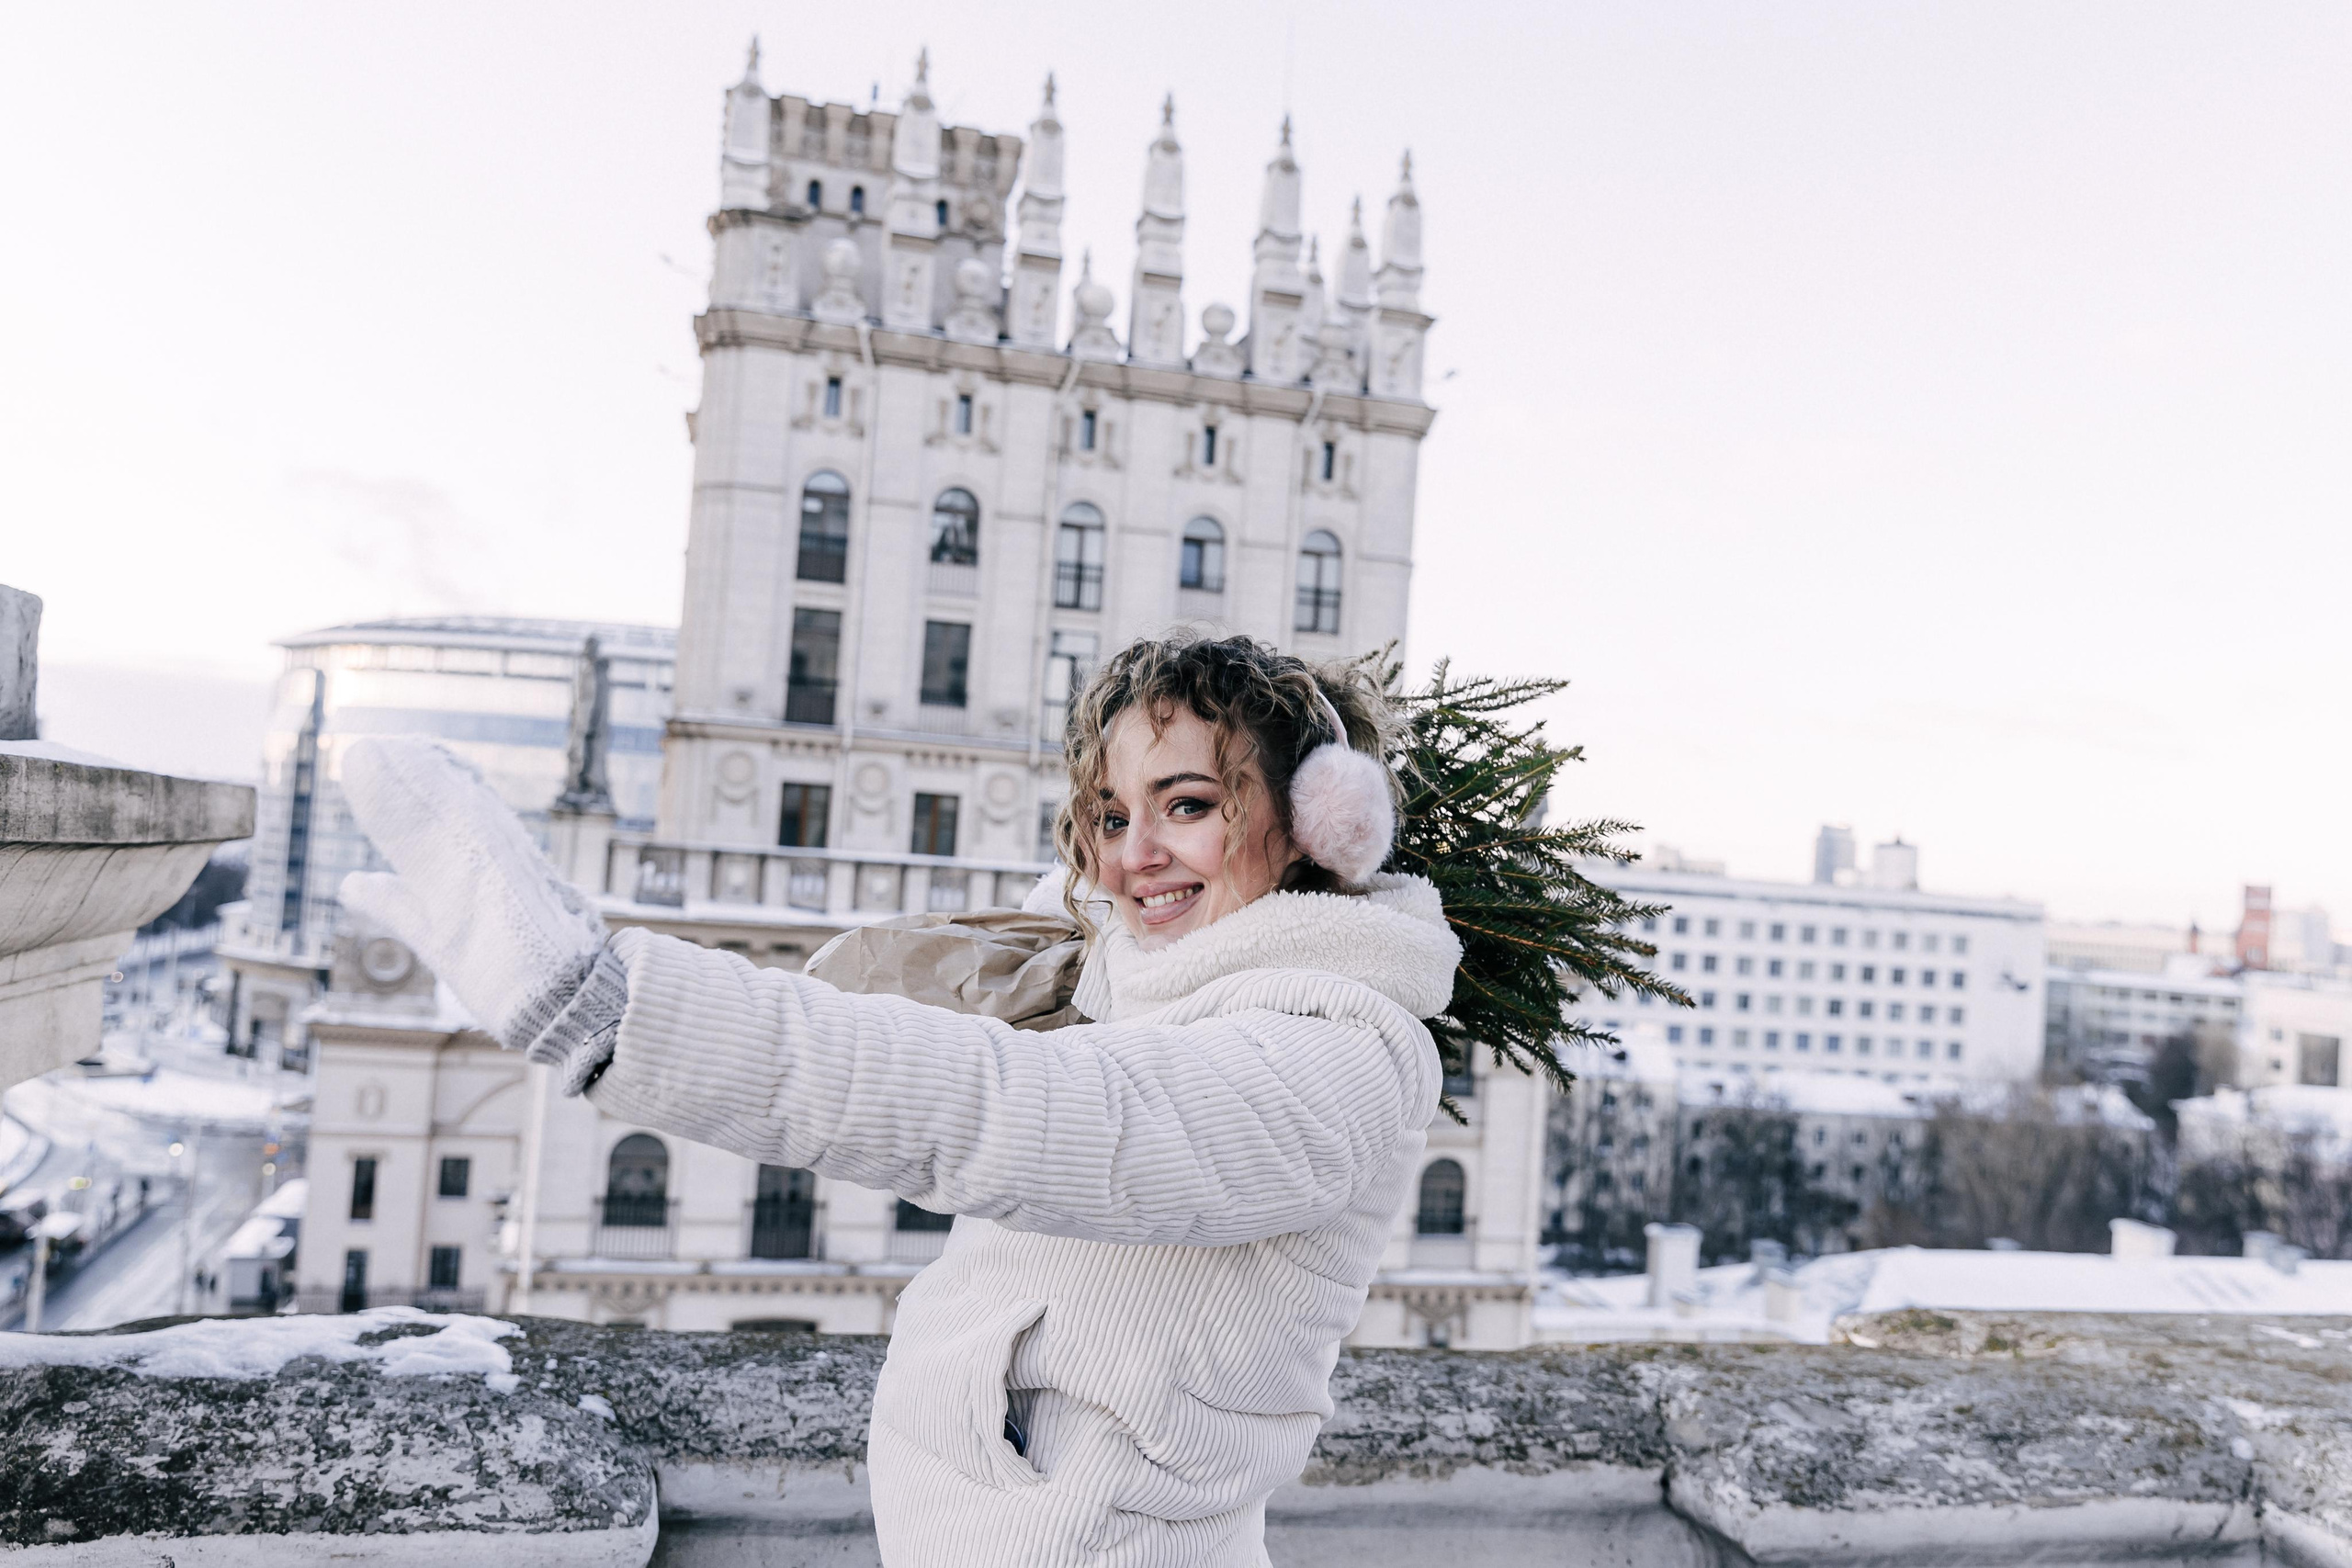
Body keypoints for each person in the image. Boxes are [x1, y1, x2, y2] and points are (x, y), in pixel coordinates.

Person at [340, 633, 1460, 1567]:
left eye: (1187, 804)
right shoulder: (1139, 990)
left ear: (1322, 822)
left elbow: (1003, 1110)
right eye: (1111, 817)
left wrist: (614, 1013)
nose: (1135, 858)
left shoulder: (1339, 1054)